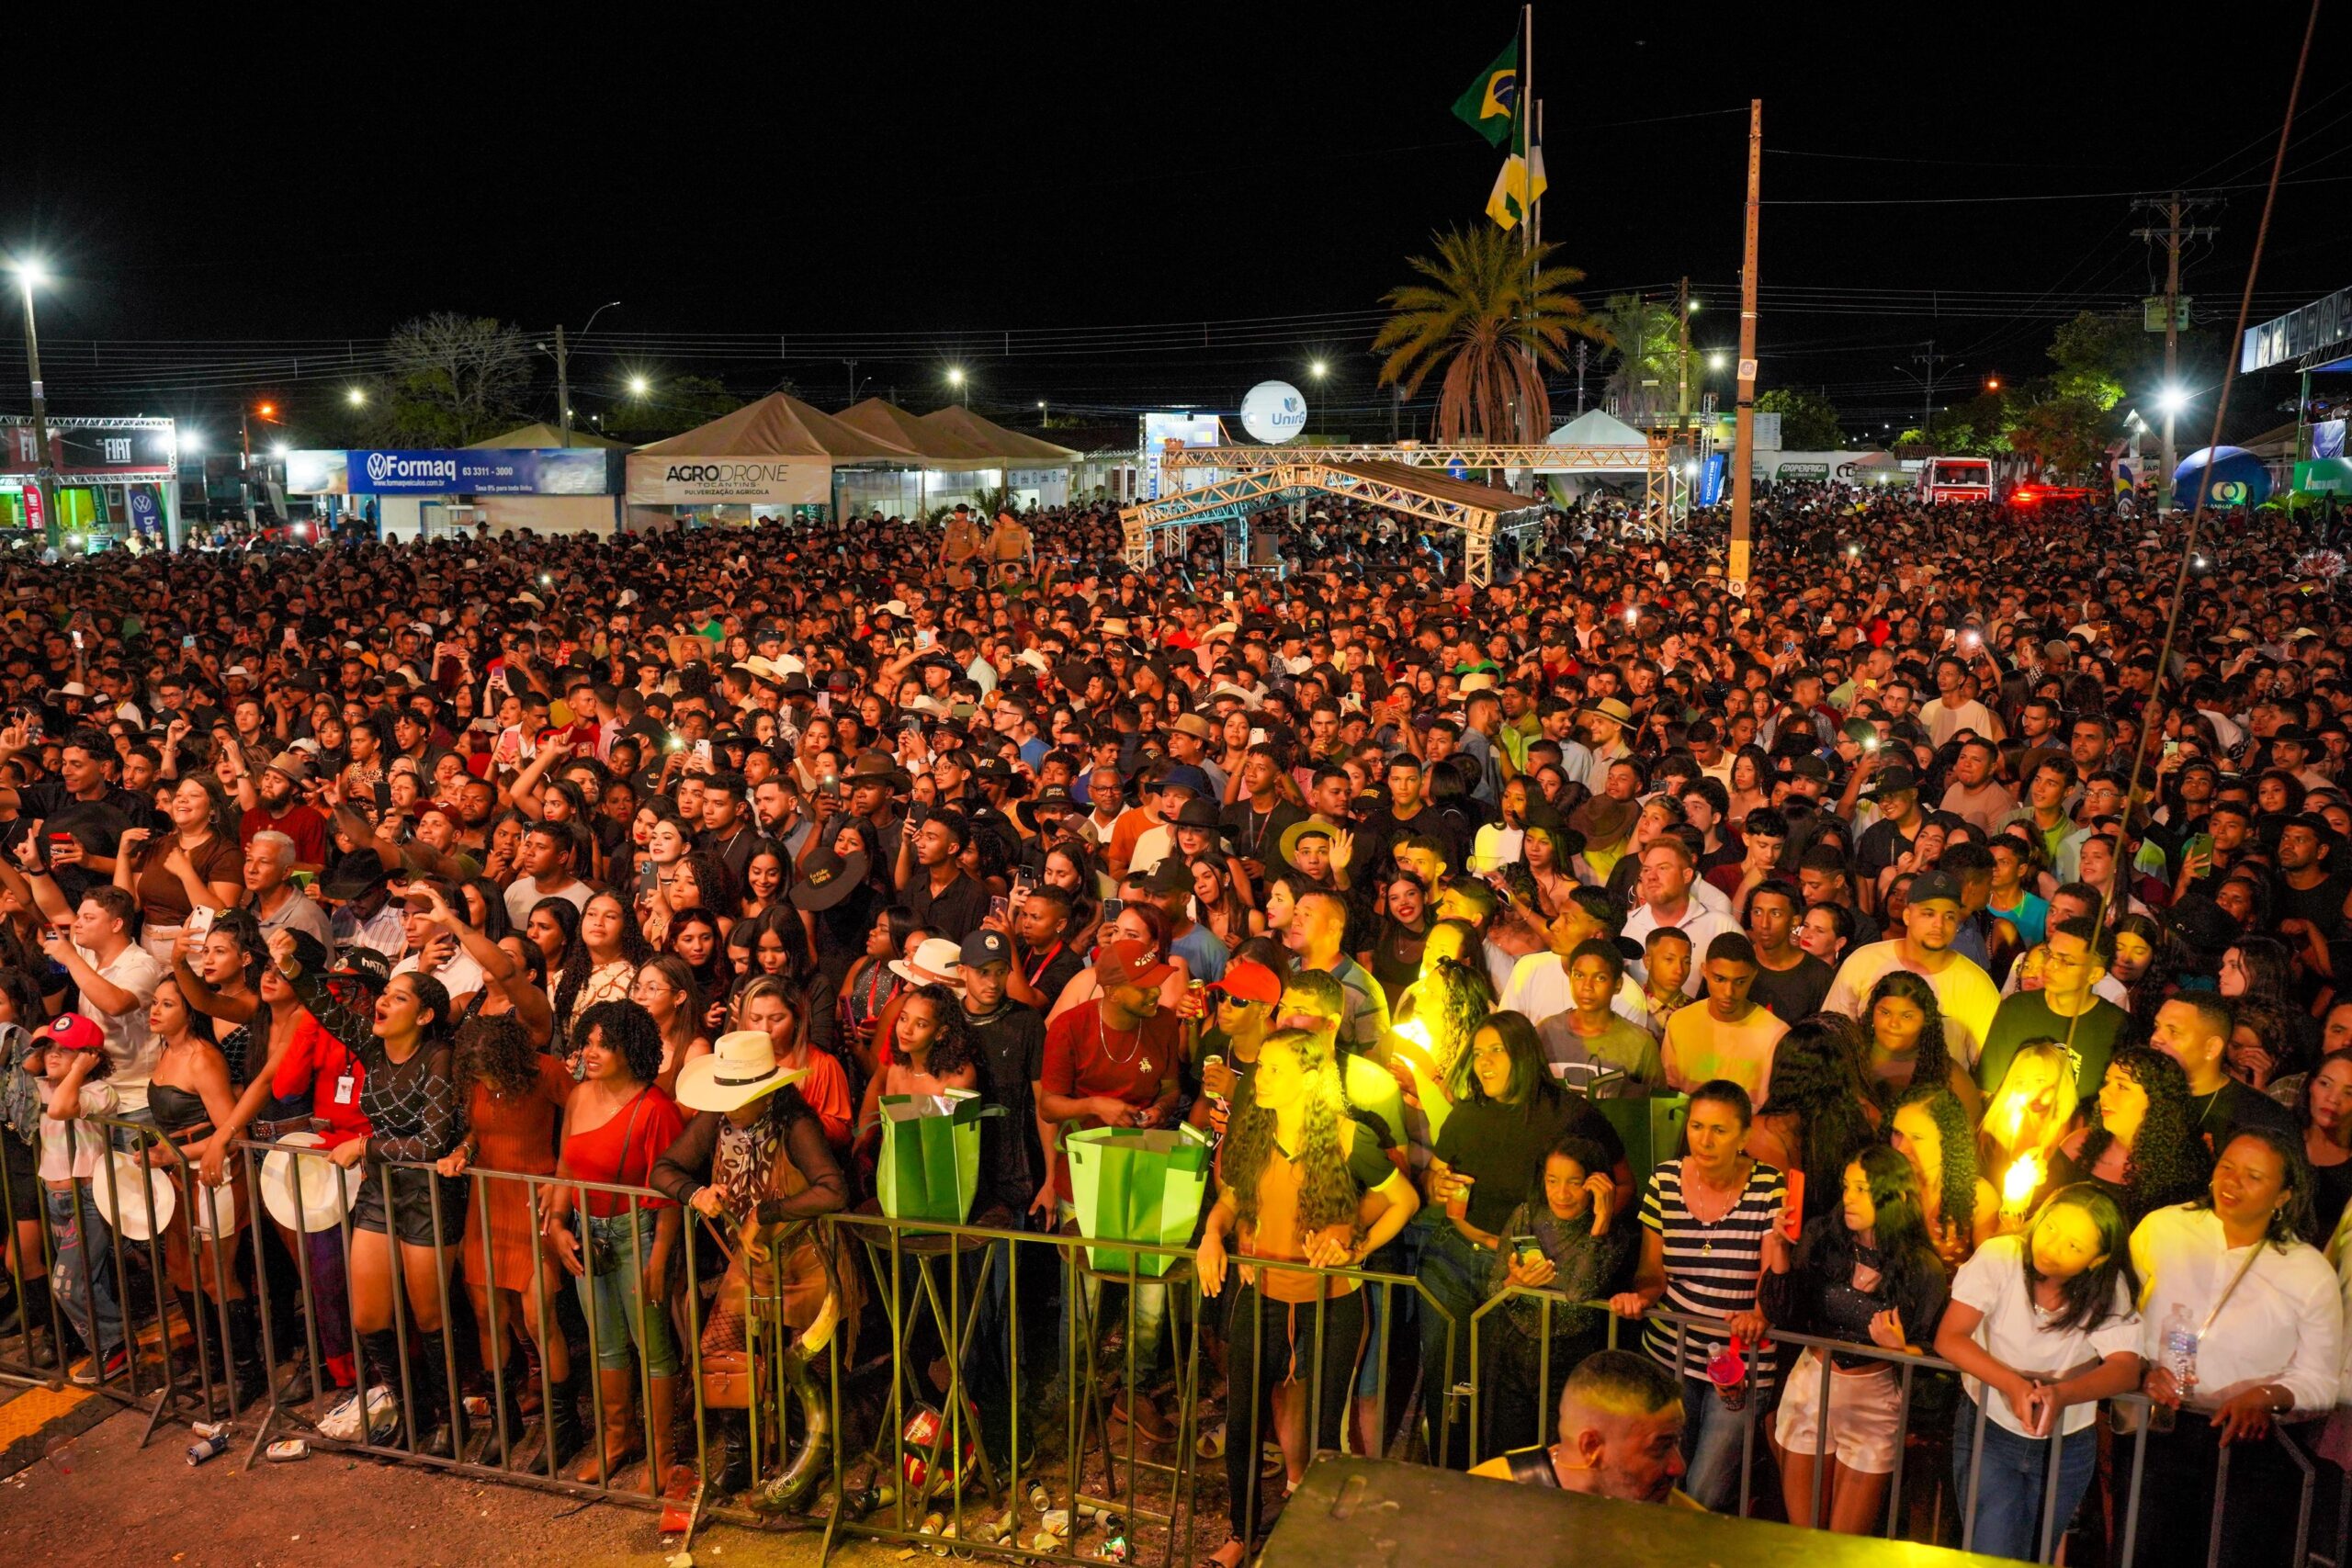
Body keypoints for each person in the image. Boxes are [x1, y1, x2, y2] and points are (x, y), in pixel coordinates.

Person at [1196, 1026, 1421, 1563]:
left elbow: (1404, 1200)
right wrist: (1212, 1235)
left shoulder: (1349, 1137)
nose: (1262, 1078)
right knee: (1244, 1422)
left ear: (1309, 1077)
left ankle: (1319, 1542)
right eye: (1262, 1067)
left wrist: (1358, 1246)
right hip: (1263, 1293)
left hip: (1333, 1301)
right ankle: (1242, 1534)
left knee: (1326, 1431)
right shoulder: (1254, 1132)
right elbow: (1231, 1201)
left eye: (1276, 1069)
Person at [268, 929, 466, 1456]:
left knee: (430, 1318)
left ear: (424, 1015)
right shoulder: (372, 1047)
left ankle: (451, 1422)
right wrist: (289, 965)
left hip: (428, 1197)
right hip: (381, 1193)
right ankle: (412, 1413)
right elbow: (322, 1005)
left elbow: (432, 1142)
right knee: (369, 1317)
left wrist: (364, 1147)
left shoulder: (439, 1058)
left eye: (399, 998)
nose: (383, 1002)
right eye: (386, 994)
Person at [650, 1027, 858, 1501]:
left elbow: (833, 1190)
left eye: (736, 1097)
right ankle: (741, 1459)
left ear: (764, 1093)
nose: (727, 1105)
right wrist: (696, 1193)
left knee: (808, 1365)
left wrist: (764, 1213)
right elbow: (664, 1168)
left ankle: (806, 1465)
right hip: (756, 1261)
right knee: (720, 1350)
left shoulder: (796, 1124)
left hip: (809, 1258)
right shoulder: (718, 1116)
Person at [1420, 1011, 1626, 1469]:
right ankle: (1449, 1479)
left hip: (1532, 1269)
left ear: (1525, 1055)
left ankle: (1511, 1485)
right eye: (1478, 1053)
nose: (1484, 1063)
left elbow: (1622, 1185)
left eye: (1497, 1051)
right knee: (1449, 1380)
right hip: (1456, 1259)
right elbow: (1431, 1179)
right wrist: (1434, 1185)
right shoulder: (1466, 1113)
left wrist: (1582, 1235)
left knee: (1507, 1394)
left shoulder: (1572, 1115)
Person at [2130, 1126, 2343, 1568]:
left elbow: (2321, 1380)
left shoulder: (2307, 1271)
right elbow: (2118, 1315)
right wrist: (2141, 1368)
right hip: (2157, 1427)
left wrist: (2267, 1395)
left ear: (2283, 1195)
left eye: (2253, 1176)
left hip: (2248, 1446)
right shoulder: (2163, 1228)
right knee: (2144, 1551)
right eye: (2226, 1167)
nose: (2232, 1182)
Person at [1934, 1184, 2143, 1563]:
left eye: (2074, 1245)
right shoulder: (2001, 1257)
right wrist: (2013, 1386)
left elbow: (2126, 1368)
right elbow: (1950, 1338)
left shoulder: (2108, 1286)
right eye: (2050, 1227)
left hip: (2067, 1442)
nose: (2052, 1247)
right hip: (1990, 1427)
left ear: (2097, 1259)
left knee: (2036, 1554)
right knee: (1993, 1552)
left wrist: (2061, 1395)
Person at [1608, 1079, 1785, 1511]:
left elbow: (1772, 1280)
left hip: (1740, 1360)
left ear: (1743, 1136)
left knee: (1705, 1490)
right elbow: (1652, 1272)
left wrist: (1759, 1313)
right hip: (1671, 1351)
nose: (1704, 1140)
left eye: (1719, 1130)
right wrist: (1640, 1297)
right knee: (1660, 1478)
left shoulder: (1768, 1185)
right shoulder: (1665, 1179)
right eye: (1697, 1126)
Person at [1760, 1145, 1948, 1534]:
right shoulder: (1823, 1238)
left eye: (1862, 1189)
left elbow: (1934, 1353)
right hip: (1812, 1387)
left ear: (1895, 1196)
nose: (1848, 1197)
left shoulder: (1922, 1267)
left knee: (1844, 1545)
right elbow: (1782, 1312)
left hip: (1873, 1400)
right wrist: (1778, 1248)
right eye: (1847, 1186)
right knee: (1805, 1538)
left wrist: (1900, 1350)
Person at [544, 1000, 684, 1488]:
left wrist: (659, 1260)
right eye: (588, 1042)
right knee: (605, 1345)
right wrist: (557, 1224)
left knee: (653, 1347)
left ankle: (662, 1452)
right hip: (587, 1230)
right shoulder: (580, 1096)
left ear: (632, 1049)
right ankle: (616, 1440)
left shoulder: (656, 1109)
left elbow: (669, 1196)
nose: (591, 1052)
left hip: (637, 1233)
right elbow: (565, 1167)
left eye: (605, 1044)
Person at [1476, 1132, 1641, 1457]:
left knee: (1560, 1456)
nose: (1561, 1194)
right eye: (1552, 1181)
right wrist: (1514, 1283)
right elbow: (1493, 1288)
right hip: (1514, 1349)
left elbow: (1580, 1290)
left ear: (1596, 1184)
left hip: (1571, 1359)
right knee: (1507, 1455)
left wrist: (1601, 1222)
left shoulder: (1612, 1236)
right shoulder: (1526, 1216)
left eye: (1574, 1183)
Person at [1467, 1348, 1701, 1508]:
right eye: (1660, 1447)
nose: (1678, 1467)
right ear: (1591, 1447)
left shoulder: (1685, 1524)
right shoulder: (1483, 1498)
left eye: (1676, 1442)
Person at [1822, 870, 2001, 1073]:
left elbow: (1989, 1067)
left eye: (1949, 916)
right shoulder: (1863, 962)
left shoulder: (1976, 984)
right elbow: (1831, 1036)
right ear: (1907, 916)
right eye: (1928, 913)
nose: (1939, 924)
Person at [1975, 917, 2126, 1102]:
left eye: (2065, 961)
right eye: (2049, 954)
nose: (2048, 966)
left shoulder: (2117, 1027)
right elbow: (1987, 1090)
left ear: (2094, 974)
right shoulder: (2016, 1009)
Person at [1659, 932, 1787, 1102]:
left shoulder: (1776, 1035)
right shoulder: (1679, 1023)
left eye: (1740, 982)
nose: (1729, 992)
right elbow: (1670, 1092)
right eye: (1720, 979)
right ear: (1705, 971)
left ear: (1754, 975)